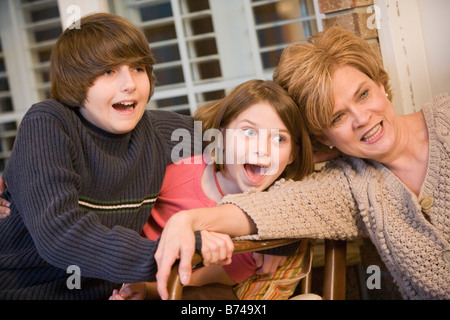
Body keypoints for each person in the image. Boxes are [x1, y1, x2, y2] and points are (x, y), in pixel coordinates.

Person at [154, 26, 450, 300]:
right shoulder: (349, 186)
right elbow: (272, 207)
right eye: (338, 117)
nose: (361, 119)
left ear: (381, 84)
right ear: (324, 137)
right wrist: (188, 220)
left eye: (363, 94)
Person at [0, 12, 233, 300]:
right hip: (19, 291)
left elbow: (253, 148)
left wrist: (278, 238)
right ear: (76, 80)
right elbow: (60, 235)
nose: (130, 84)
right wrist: (172, 250)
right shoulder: (49, 122)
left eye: (138, 68)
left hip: (110, 295)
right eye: (108, 71)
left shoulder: (158, 132)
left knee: (220, 298)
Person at [109, 79, 314, 300]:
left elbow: (198, 281)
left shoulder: (269, 218)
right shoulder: (178, 170)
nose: (262, 149)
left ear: (292, 154)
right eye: (249, 132)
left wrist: (145, 290)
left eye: (278, 138)